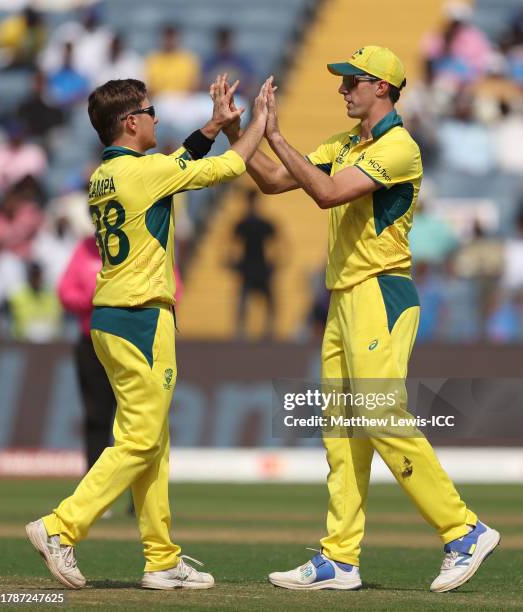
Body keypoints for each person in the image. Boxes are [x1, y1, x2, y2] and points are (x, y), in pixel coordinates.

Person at [222, 46, 500, 593]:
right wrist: (240, 134)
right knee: (342, 430)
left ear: (382, 87)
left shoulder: (400, 147)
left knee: (380, 416)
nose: (343, 90)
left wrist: (274, 132)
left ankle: (464, 529)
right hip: (344, 297)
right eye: (343, 81)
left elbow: (325, 193)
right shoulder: (347, 143)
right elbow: (276, 182)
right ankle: (340, 559)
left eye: (352, 81)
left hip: (381, 292)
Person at [25, 74, 269, 591]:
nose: (157, 117)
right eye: (150, 110)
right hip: (141, 316)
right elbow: (228, 165)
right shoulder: (147, 173)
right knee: (140, 438)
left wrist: (213, 124)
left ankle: (160, 559)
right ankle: (60, 527)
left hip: (110, 316)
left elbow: (178, 161)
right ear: (132, 122)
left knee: (151, 439)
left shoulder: (103, 176)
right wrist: (256, 126)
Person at [57, 237, 115, 471]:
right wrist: (91, 299)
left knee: (137, 420)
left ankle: (139, 496)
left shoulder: (142, 238)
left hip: (133, 339)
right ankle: (97, 491)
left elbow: (173, 288)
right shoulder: (85, 247)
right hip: (91, 342)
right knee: (96, 417)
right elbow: (65, 292)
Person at [232, 189, 278, 338]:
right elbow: (229, 244)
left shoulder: (263, 224)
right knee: (244, 300)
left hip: (261, 267)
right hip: (248, 267)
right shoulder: (242, 223)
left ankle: (268, 330)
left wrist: (276, 262)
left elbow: (280, 244)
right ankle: (241, 330)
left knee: (268, 301)